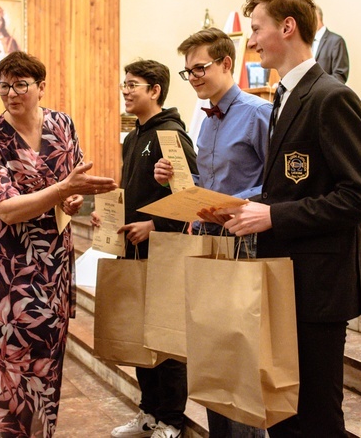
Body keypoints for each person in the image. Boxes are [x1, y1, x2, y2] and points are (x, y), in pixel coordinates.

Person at [215, 0, 361, 436]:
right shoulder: (284, 96)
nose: (251, 40)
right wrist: (247, 207)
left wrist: (273, 217)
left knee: (316, 418)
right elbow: (296, 186)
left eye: (257, 28)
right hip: (286, 278)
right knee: (284, 413)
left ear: (287, 28)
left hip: (319, 287)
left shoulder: (330, 97)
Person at [0, 51, 117, 437]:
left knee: (43, 362)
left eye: (21, 84)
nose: (11, 93)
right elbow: (8, 210)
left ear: (40, 87)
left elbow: (70, 183)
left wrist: (71, 198)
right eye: (4, 85)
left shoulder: (62, 125)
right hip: (5, 269)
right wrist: (62, 189)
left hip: (50, 266)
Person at [154, 27, 271, 438]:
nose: (194, 77)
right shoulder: (205, 121)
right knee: (213, 350)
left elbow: (276, 186)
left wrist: (232, 202)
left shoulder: (257, 113)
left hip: (244, 243)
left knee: (239, 353)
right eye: (187, 72)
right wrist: (174, 178)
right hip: (208, 240)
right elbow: (205, 180)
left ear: (226, 63)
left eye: (199, 67)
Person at [93, 59, 198, 438]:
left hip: (164, 250)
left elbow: (189, 197)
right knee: (141, 336)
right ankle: (149, 414)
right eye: (124, 83)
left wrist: (156, 225)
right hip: (134, 249)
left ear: (155, 90)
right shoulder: (134, 136)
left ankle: (171, 419)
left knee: (165, 337)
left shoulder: (170, 134)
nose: (125, 89)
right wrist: (106, 218)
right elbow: (133, 192)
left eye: (133, 84)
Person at [313, 5, 350, 84]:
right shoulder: (306, 41)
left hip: (326, 93)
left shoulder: (336, 41)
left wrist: (319, 87)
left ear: (317, 16)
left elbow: (340, 75)